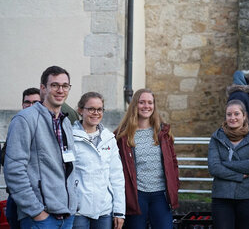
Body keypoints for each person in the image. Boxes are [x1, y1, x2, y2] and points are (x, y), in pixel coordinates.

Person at [4, 66, 77, 229]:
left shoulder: (65, 122)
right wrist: (36, 212)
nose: (60, 90)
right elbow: (14, 169)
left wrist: (73, 204)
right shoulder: (25, 119)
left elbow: (70, 165)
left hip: (67, 215)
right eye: (55, 85)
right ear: (43, 88)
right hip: (41, 218)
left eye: (65, 86)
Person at [115, 89, 179, 229]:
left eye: (150, 103)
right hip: (136, 196)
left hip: (160, 195)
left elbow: (173, 163)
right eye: (142, 102)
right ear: (134, 105)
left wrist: (174, 187)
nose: (146, 106)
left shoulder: (163, 132)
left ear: (154, 106)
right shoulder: (122, 135)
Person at [208, 99, 249, 229]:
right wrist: (239, 176)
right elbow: (214, 168)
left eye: (236, 114)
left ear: (244, 116)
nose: (232, 118)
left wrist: (225, 164)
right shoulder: (216, 137)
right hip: (222, 196)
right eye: (229, 114)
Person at [72, 92, 125, 229]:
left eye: (99, 109)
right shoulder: (71, 137)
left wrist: (119, 211)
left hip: (104, 210)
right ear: (80, 110)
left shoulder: (109, 138)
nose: (96, 113)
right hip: (78, 210)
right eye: (91, 109)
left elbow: (117, 177)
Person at [1, 87, 41, 229]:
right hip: (16, 190)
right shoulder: (17, 122)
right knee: (12, 219)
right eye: (27, 102)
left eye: (35, 102)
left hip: (39, 193)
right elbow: (5, 156)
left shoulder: (46, 125)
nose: (30, 106)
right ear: (22, 104)